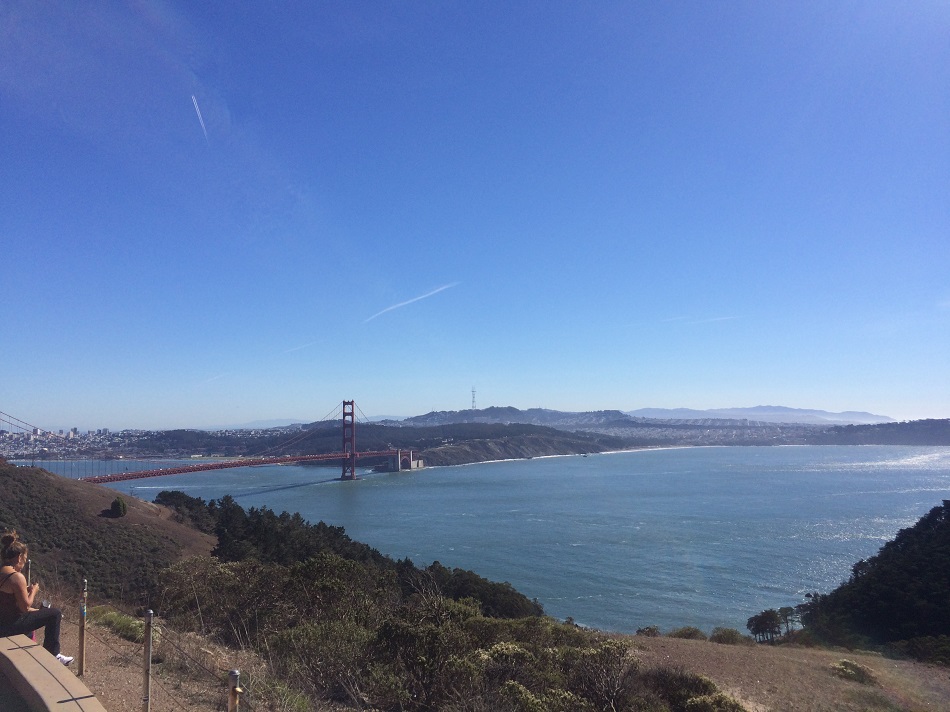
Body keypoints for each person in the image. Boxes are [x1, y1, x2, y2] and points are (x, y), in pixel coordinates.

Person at [0, 531, 73, 665]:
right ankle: (53, 654)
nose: (25, 562)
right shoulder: (16, 577)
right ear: (19, 557)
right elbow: (25, 607)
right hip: (10, 626)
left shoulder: (2, 571)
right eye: (25, 558)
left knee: (44, 613)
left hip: (2, 622)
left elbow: (11, 602)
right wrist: (33, 591)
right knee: (55, 614)